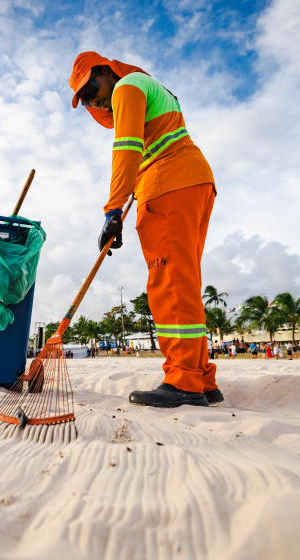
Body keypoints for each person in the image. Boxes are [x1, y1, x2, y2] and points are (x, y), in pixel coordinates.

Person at [69, 51, 219, 408]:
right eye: (85, 98)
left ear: (106, 71)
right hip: (194, 181)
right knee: (184, 281)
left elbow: (127, 148)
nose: (93, 99)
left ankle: (184, 381)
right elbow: (145, 145)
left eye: (91, 87)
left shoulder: (127, 88)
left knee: (169, 283)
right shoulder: (149, 86)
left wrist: (112, 209)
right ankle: (201, 378)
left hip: (169, 186)